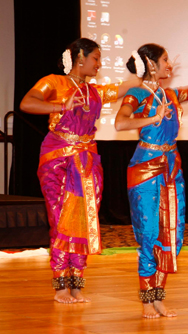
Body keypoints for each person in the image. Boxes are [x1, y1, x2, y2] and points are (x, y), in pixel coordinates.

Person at [20, 38, 141, 304]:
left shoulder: (95, 90)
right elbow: (27, 103)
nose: (99, 64)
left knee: (83, 221)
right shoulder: (54, 82)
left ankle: (76, 283)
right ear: (80, 57)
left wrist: (143, 65)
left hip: (87, 162)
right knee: (61, 219)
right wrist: (61, 106)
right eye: (96, 58)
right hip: (58, 159)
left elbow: (128, 86)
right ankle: (60, 285)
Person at [114, 44, 188, 319]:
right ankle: (147, 300)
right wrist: (152, 117)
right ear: (150, 63)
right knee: (149, 234)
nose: (170, 64)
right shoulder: (137, 94)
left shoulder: (169, 94)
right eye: (164, 60)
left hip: (172, 169)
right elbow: (119, 123)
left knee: (172, 234)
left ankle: (159, 296)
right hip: (146, 169)